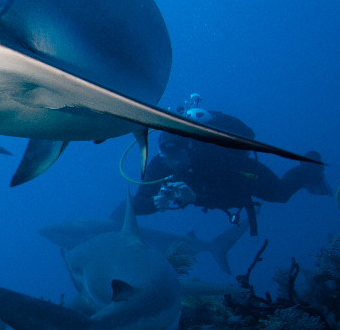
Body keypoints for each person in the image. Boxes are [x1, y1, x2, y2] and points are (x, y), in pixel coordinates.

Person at [126, 95, 329, 236]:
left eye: (178, 154)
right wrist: (156, 202)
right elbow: (137, 205)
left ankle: (310, 167)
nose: (175, 161)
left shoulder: (212, 155)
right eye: (168, 155)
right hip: (209, 189)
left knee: (280, 194)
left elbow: (237, 196)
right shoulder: (161, 164)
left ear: (190, 147)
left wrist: (195, 198)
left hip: (238, 172)